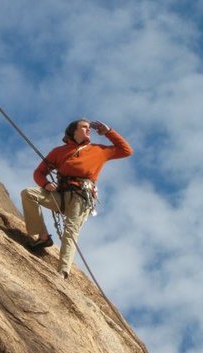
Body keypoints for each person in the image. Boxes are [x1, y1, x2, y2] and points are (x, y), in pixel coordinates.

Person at [21, 119, 133, 279]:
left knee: (71, 231)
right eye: (84, 127)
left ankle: (62, 272)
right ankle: (43, 238)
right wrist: (45, 184)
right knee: (28, 193)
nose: (89, 130)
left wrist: (108, 132)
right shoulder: (59, 152)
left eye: (89, 128)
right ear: (73, 130)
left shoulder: (99, 150)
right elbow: (39, 173)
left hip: (81, 197)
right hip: (60, 195)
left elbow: (126, 150)